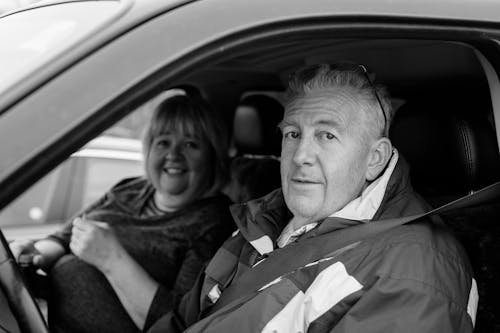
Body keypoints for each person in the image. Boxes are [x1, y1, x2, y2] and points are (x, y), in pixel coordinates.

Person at [145, 64, 477, 333]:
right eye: (293, 134)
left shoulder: (411, 270)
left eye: (327, 135)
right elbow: (180, 321)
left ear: (374, 159)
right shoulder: (260, 220)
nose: (301, 154)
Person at [10, 92, 235, 332]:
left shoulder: (216, 222)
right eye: (163, 142)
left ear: (213, 155)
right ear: (149, 148)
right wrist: (34, 253)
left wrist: (111, 259)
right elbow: (63, 237)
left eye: (191, 144)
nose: (173, 154)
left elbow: (178, 324)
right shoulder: (128, 188)